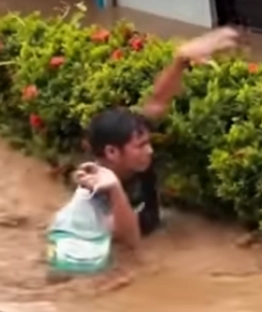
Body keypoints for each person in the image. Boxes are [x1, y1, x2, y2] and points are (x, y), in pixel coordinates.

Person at [46, 27, 241, 278]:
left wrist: (181, 60)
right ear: (112, 152)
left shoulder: (133, 153)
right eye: (140, 146)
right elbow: (130, 244)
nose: (149, 150)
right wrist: (114, 189)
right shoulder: (92, 199)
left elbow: (157, 102)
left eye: (147, 142)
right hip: (86, 266)